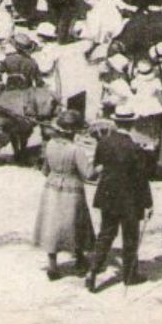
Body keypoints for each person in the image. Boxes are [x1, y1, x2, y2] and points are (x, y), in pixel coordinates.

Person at [85, 109, 153, 291]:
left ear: (115, 122)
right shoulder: (135, 148)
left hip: (108, 195)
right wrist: (148, 203)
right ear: (132, 124)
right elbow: (142, 179)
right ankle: (130, 275)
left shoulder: (104, 142)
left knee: (106, 233)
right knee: (130, 236)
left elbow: (98, 165)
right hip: (130, 199)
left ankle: (93, 270)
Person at [34, 110, 95, 280]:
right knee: (75, 223)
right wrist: (99, 166)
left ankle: (52, 265)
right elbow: (88, 174)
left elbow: (45, 170)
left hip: (52, 188)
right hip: (72, 188)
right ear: (74, 131)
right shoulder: (76, 150)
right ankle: (80, 258)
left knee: (52, 224)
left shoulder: (50, 145)